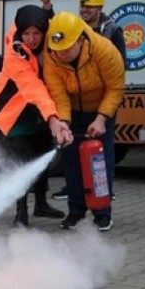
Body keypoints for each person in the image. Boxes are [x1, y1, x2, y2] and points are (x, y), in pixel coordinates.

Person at [0, 4, 73, 227]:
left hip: (41, 111)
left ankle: (41, 204)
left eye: (36, 33)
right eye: (26, 33)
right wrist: (53, 118)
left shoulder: (49, 44)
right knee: (21, 160)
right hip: (15, 112)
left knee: (42, 154)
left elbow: (58, 29)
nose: (31, 39)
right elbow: (32, 86)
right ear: (20, 32)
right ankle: (21, 212)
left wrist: (49, 10)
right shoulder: (14, 53)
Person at [43, 12, 125, 232]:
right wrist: (64, 123)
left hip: (101, 109)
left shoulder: (105, 50)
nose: (62, 55)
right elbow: (58, 93)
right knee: (71, 161)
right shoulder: (52, 56)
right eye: (58, 50)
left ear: (81, 39)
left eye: (67, 49)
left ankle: (102, 213)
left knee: (100, 161)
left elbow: (115, 88)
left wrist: (101, 119)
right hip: (73, 110)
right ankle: (76, 213)